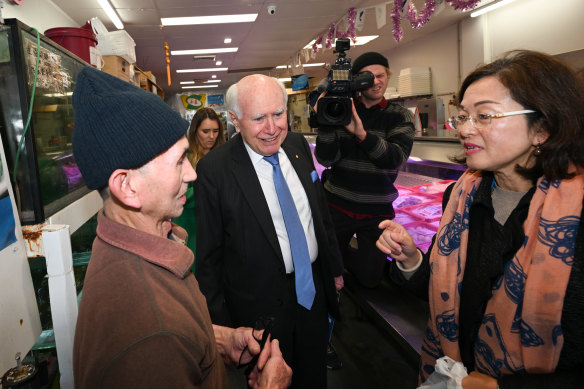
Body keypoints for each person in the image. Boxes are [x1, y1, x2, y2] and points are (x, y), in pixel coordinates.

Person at [71, 66, 291, 389]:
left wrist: (217, 339)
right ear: (127, 186)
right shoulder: (148, 333)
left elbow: (177, 332)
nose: (191, 174)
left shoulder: (141, 249)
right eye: (178, 162)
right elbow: (161, 338)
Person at [376, 50, 584, 388]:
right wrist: (412, 261)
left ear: (542, 128)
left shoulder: (575, 215)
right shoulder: (461, 197)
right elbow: (448, 295)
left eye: (485, 116)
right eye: (462, 117)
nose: (466, 129)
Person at [194, 74, 344, 388]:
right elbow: (209, 257)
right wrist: (221, 331)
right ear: (235, 119)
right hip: (258, 312)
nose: (272, 127)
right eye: (259, 118)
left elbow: (318, 212)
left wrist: (335, 268)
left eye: (278, 114)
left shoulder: (298, 144)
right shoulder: (214, 170)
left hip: (313, 293)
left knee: (315, 378)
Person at [314, 51, 415, 289]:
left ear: (387, 77)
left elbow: (394, 158)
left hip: (377, 212)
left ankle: (346, 272)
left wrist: (361, 133)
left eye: (381, 75)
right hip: (337, 204)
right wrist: (327, 121)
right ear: (357, 81)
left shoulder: (400, 116)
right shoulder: (341, 109)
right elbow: (326, 158)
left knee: (370, 277)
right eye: (368, 77)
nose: (376, 81)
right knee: (328, 269)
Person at [173, 107, 225, 257]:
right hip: (191, 222)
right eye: (206, 131)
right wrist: (207, 189)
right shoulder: (185, 158)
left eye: (215, 131)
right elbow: (178, 194)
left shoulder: (222, 157)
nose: (211, 136)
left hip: (217, 223)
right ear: (195, 131)